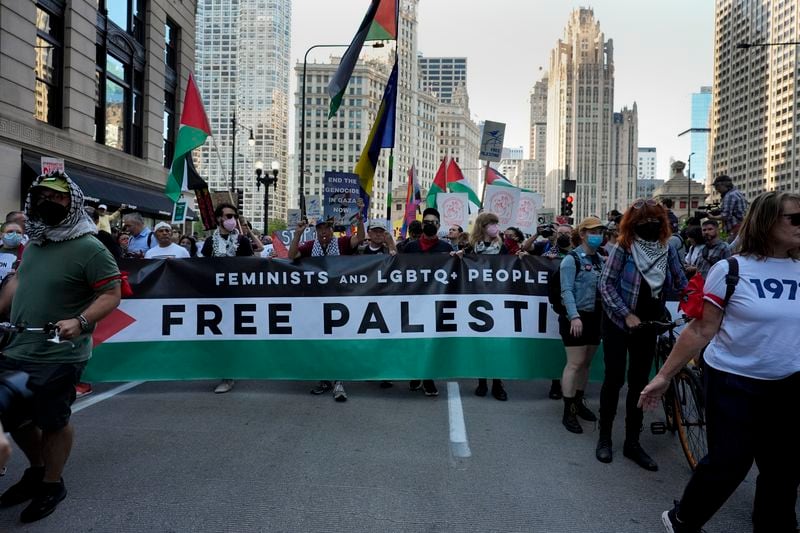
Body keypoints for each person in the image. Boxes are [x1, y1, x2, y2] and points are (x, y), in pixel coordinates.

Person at [639, 191, 800, 533]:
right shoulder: (730, 270)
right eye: (795, 219)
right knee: (730, 464)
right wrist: (665, 375)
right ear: (768, 222)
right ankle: (683, 520)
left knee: (784, 472)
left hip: (789, 385)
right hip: (733, 381)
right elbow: (701, 330)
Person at [0, 172, 121, 523]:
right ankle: (37, 470)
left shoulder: (89, 247)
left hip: (60, 353)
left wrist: (80, 322)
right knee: (15, 416)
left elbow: (111, 293)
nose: (48, 204)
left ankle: (52, 484)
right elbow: (19, 281)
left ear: (73, 202)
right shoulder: (35, 243)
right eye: (42, 198)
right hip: (18, 347)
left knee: (52, 419)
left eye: (57, 198)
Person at [596, 198, 687, 471]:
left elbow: (680, 282)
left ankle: (632, 442)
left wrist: (696, 293)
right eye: (643, 222)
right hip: (618, 321)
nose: (649, 226)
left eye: (654, 221)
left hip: (649, 323)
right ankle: (604, 438)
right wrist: (626, 314)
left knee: (640, 382)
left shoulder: (667, 248)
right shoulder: (623, 248)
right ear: (632, 225)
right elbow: (606, 284)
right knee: (613, 379)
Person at [290, 198, 365, 401]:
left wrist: (359, 215)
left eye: (326, 229)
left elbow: (359, 239)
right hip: (316, 302)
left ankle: (338, 381)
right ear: (316, 231)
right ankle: (324, 379)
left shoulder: (341, 243)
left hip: (340, 301)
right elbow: (291, 256)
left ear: (332, 229)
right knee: (320, 341)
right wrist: (297, 234)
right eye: (320, 229)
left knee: (338, 340)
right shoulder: (309, 246)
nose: (323, 233)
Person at [557, 217, 606, 433]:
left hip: (597, 317)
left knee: (586, 364)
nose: (599, 235)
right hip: (576, 317)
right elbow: (566, 290)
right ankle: (568, 412)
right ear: (583, 234)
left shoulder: (602, 260)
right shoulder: (571, 259)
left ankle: (578, 403)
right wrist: (574, 316)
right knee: (574, 363)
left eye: (601, 231)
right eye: (594, 231)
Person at [202, 203, 254, 394]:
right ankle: (225, 373)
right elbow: (202, 268)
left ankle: (231, 372)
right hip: (215, 297)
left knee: (234, 336)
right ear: (219, 219)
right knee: (219, 336)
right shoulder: (209, 243)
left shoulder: (243, 241)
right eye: (228, 215)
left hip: (237, 296)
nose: (232, 219)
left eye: (234, 216)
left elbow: (250, 267)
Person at [399, 207, 451, 397]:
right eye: (426, 222)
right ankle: (415, 373)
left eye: (433, 222)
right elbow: (400, 270)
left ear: (438, 225)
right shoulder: (411, 247)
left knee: (431, 341)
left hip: (436, 303)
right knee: (414, 340)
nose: (429, 225)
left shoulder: (446, 249)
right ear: (422, 225)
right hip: (414, 301)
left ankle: (428, 378)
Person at [457, 212, 509, 401]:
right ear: (482, 226)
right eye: (491, 223)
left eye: (496, 223)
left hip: (498, 299)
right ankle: (481, 381)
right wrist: (458, 256)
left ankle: (497, 383)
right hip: (476, 300)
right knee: (480, 343)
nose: (495, 226)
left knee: (497, 344)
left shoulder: (503, 248)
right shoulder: (471, 248)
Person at [707, 175, 747, 242]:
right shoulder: (737, 193)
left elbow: (726, 216)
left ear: (722, 185)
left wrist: (712, 217)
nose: (716, 189)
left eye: (717, 187)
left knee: (731, 250)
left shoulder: (729, 195)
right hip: (742, 227)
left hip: (735, 229)